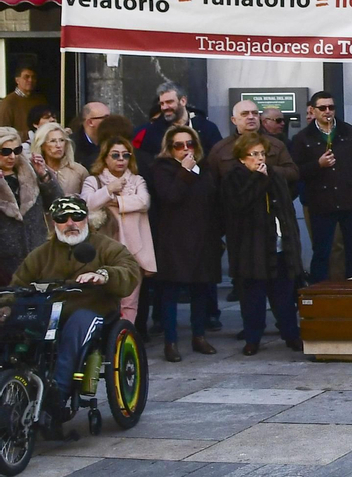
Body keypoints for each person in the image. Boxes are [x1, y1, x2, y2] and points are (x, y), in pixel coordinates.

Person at [5, 196, 141, 417]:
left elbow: (129, 270)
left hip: (93, 311)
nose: (70, 223)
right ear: (54, 223)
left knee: (77, 325)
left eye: (76, 216)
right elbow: (17, 286)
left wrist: (104, 275)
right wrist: (6, 307)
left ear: (86, 218)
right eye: (62, 218)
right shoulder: (41, 254)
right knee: (15, 326)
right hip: (49, 314)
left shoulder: (106, 246)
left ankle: (58, 393)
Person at [220, 132, 303, 354]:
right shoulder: (234, 177)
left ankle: (291, 334)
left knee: (284, 296)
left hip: (279, 245)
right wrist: (258, 179)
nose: (260, 159)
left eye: (262, 154)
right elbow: (240, 204)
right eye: (254, 154)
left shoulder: (274, 174)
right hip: (251, 248)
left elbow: (286, 209)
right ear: (242, 158)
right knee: (253, 298)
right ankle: (252, 338)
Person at [291, 91, 352, 283]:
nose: (327, 111)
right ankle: (319, 294)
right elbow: (295, 171)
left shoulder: (349, 132)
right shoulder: (303, 138)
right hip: (321, 203)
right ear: (313, 110)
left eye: (331, 107)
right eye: (322, 108)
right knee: (322, 252)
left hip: (351, 201)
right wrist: (317, 164)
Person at [148, 125, 218, 361]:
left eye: (190, 144)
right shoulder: (162, 168)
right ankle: (171, 341)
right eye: (179, 145)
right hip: (173, 239)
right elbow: (170, 196)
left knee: (201, 289)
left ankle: (199, 336)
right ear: (170, 148)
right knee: (170, 292)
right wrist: (184, 171)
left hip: (202, 237)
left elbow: (212, 199)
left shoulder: (204, 168)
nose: (185, 149)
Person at [81, 137, 155, 331]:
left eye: (125, 155)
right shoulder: (93, 180)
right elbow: (86, 203)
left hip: (134, 249)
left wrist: (115, 202)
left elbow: (144, 202)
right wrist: (108, 190)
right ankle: (105, 338)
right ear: (105, 158)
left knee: (130, 301)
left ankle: (125, 336)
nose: (121, 159)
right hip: (103, 249)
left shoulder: (137, 180)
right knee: (104, 299)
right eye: (115, 155)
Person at [0, 125, 58, 285]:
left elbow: (56, 203)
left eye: (17, 150)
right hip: (4, 262)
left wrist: (44, 175)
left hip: (36, 254)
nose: (12, 156)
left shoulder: (31, 171)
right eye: (5, 151)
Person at [133, 82, 223, 159]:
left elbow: (217, 159)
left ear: (183, 101)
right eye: (162, 103)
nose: (164, 107)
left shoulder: (207, 128)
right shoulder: (152, 132)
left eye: (169, 102)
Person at [30, 122, 87, 196]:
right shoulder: (32, 171)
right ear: (42, 145)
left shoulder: (79, 171)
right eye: (53, 141)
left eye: (62, 140)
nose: (58, 145)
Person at [0, 63, 45, 136]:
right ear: (17, 80)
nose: (30, 80)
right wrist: (28, 135)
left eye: (33, 77)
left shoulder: (40, 100)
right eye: (26, 77)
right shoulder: (8, 102)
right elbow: (3, 133)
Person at [74, 102, 110, 167]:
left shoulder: (113, 141)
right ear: (90, 122)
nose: (110, 121)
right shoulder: (72, 145)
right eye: (105, 118)